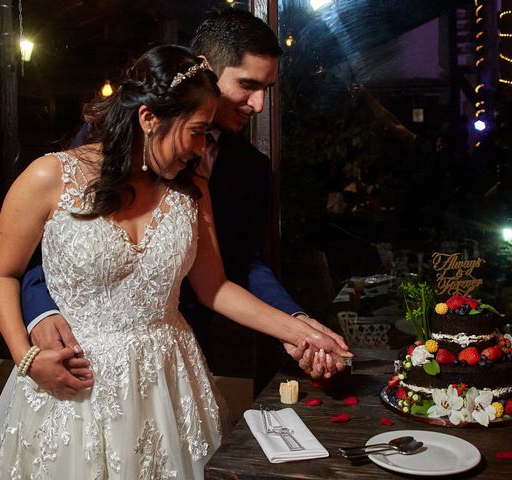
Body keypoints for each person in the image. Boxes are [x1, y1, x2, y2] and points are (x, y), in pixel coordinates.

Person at [0, 45, 350, 479]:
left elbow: (215, 288)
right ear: (149, 118)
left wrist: (305, 331)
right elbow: (3, 274)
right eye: (196, 131)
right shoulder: (49, 176)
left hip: (169, 384)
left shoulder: (191, 188)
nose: (200, 148)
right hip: (75, 388)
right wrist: (25, 358)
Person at [22, 8, 344, 387]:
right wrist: (39, 315)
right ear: (205, 70)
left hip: (181, 356)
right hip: (81, 358)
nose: (258, 104)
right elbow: (44, 247)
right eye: (247, 85)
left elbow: (239, 265)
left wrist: (295, 323)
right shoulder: (101, 147)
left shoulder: (251, 167)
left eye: (266, 90)